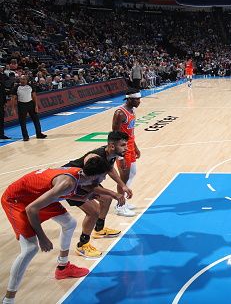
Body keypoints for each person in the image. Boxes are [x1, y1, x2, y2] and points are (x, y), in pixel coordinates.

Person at [1, 157, 118, 304]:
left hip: (37, 196)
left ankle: (63, 268)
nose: (105, 178)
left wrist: (86, 196)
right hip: (17, 200)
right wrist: (42, 238)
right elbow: (32, 209)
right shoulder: (67, 183)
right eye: (104, 176)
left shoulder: (78, 175)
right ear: (95, 176)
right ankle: (8, 300)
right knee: (30, 248)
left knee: (69, 223)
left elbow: (64, 194)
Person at [63, 131, 133, 258]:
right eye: (123, 145)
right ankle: (82, 245)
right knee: (93, 212)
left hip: (86, 181)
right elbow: (88, 185)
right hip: (72, 183)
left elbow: (110, 169)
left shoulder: (111, 154)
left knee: (106, 199)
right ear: (112, 146)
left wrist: (122, 185)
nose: (126, 148)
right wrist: (114, 193)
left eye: (126, 145)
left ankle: (99, 230)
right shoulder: (94, 158)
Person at [111, 89, 141, 217]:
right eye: (137, 99)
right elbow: (114, 135)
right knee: (123, 178)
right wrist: (119, 155)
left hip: (130, 145)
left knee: (132, 173)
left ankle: (123, 200)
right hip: (122, 149)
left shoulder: (132, 110)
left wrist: (135, 147)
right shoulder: (119, 113)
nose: (139, 101)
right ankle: (120, 205)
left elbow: (131, 132)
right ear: (129, 99)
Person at [11, 75, 47, 141]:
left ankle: (39, 134)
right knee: (22, 122)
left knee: (36, 120)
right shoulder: (16, 87)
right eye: (21, 79)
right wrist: (13, 109)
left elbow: (34, 96)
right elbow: (13, 98)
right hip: (21, 105)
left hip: (31, 104)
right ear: (19, 80)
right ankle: (25, 136)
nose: (22, 81)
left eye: (24, 79)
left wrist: (36, 106)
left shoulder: (30, 86)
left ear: (27, 80)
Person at [1, 66, 10, 140]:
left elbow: (3, 93)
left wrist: (5, 102)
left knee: (1, 119)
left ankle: (1, 134)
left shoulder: (2, 83)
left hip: (1, 103)